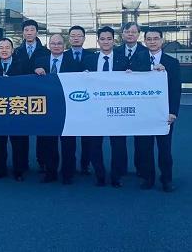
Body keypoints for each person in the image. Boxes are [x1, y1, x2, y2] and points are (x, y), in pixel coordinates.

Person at [83, 26, 129, 187]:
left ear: (113, 40)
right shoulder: (88, 60)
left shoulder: (123, 60)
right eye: (102, 39)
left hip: (116, 110)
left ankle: (116, 177)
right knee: (94, 145)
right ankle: (100, 175)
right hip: (95, 110)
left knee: (118, 145)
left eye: (109, 39)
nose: (106, 42)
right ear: (98, 41)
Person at [136, 29, 182, 192]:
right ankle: (148, 178)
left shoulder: (172, 63)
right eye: (149, 39)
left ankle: (166, 180)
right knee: (145, 148)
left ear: (162, 41)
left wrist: (173, 112)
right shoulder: (137, 60)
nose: (152, 42)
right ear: (145, 41)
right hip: (144, 113)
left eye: (156, 38)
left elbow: (176, 89)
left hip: (164, 113)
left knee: (164, 149)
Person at [34, 34, 82, 184]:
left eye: (59, 43)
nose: (56, 46)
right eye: (53, 43)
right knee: (49, 143)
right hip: (47, 108)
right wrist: (36, 71)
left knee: (68, 144)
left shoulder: (73, 62)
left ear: (64, 46)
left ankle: (68, 174)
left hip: (67, 108)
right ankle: (50, 173)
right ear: (49, 45)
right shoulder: (40, 62)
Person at [13, 19, 50, 172]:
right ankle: (23, 163)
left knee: (42, 131)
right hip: (21, 97)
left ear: (36, 32)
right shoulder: (16, 52)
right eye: (26, 30)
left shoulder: (45, 52)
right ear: (23, 33)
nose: (29, 33)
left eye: (32, 30)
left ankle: (42, 161)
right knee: (22, 131)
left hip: (40, 96)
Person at [115, 22, 151, 174]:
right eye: (127, 31)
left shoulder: (147, 52)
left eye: (133, 32)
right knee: (118, 138)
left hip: (140, 101)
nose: (130, 34)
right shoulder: (114, 51)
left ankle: (141, 168)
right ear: (122, 34)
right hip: (118, 100)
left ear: (138, 34)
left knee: (141, 138)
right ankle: (120, 169)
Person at [0, 38, 28, 181]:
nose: (4, 50)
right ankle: (0, 169)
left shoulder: (22, 66)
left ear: (12, 50)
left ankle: (18, 171)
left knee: (17, 143)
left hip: (16, 109)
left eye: (7, 47)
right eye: (1, 47)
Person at [64, 25, 93, 175]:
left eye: (79, 36)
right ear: (69, 38)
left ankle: (85, 165)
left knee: (87, 137)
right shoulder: (62, 56)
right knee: (68, 138)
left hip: (88, 102)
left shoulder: (92, 56)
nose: (76, 38)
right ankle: (69, 167)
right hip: (68, 103)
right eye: (73, 36)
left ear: (84, 38)